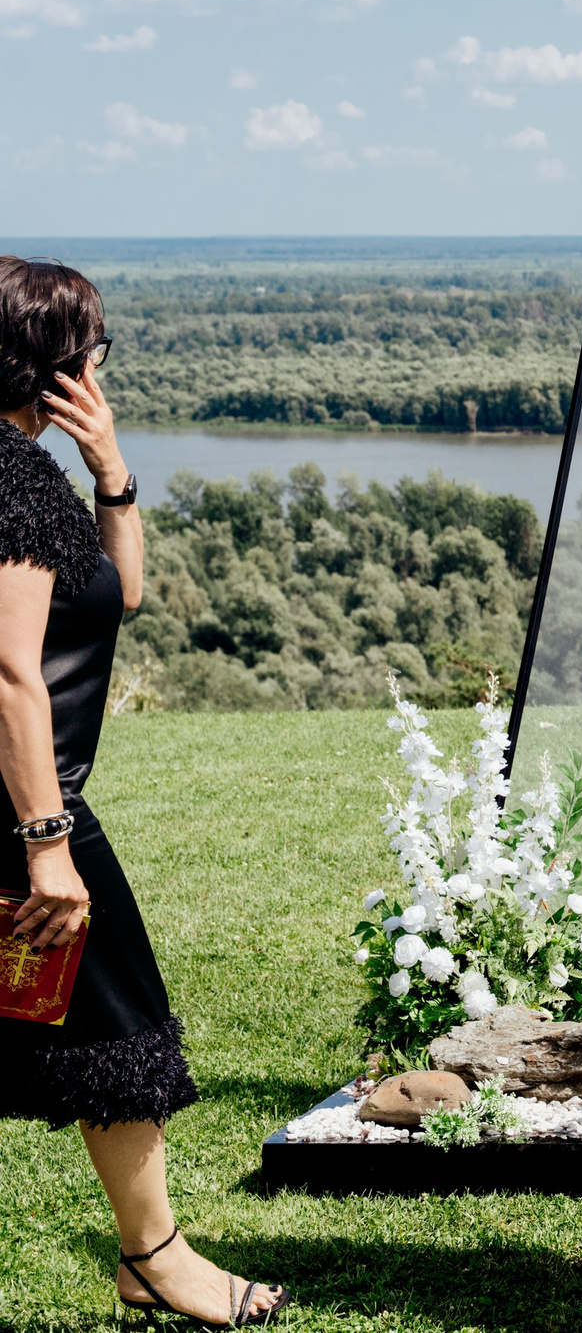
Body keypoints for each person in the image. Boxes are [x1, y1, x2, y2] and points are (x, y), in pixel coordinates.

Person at [0, 258, 289, 1327]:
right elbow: (10, 672)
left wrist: (110, 464)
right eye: (96, 347)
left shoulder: (31, 472)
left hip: (29, 802)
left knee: (97, 1031)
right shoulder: (11, 480)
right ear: (55, 360)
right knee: (121, 1033)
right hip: (28, 807)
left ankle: (148, 1254)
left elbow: (121, 591)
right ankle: (156, 1257)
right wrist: (44, 840)